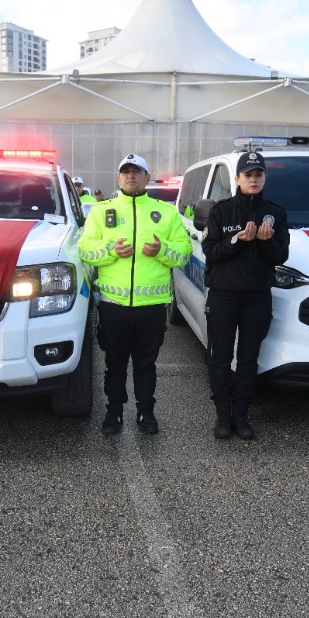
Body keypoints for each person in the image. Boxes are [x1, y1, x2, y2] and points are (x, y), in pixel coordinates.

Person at [78, 152, 192, 434]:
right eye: (126, 171)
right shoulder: (100, 211)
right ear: (118, 178)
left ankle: (146, 413)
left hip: (151, 306)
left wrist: (162, 251)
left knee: (146, 365)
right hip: (113, 305)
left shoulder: (165, 213)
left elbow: (184, 253)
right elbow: (84, 249)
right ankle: (114, 413)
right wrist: (109, 251)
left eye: (137, 171)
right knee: (114, 365)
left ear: (147, 177)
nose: (131, 175)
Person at [202, 150, 288, 440]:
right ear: (237, 179)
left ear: (264, 178)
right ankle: (223, 417)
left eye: (258, 174)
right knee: (220, 357)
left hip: (257, 297)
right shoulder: (221, 211)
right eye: (248, 175)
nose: (253, 179)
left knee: (249, 358)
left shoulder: (276, 213)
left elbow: (280, 256)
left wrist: (265, 242)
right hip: (224, 296)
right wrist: (237, 239)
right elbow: (210, 251)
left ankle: (242, 416)